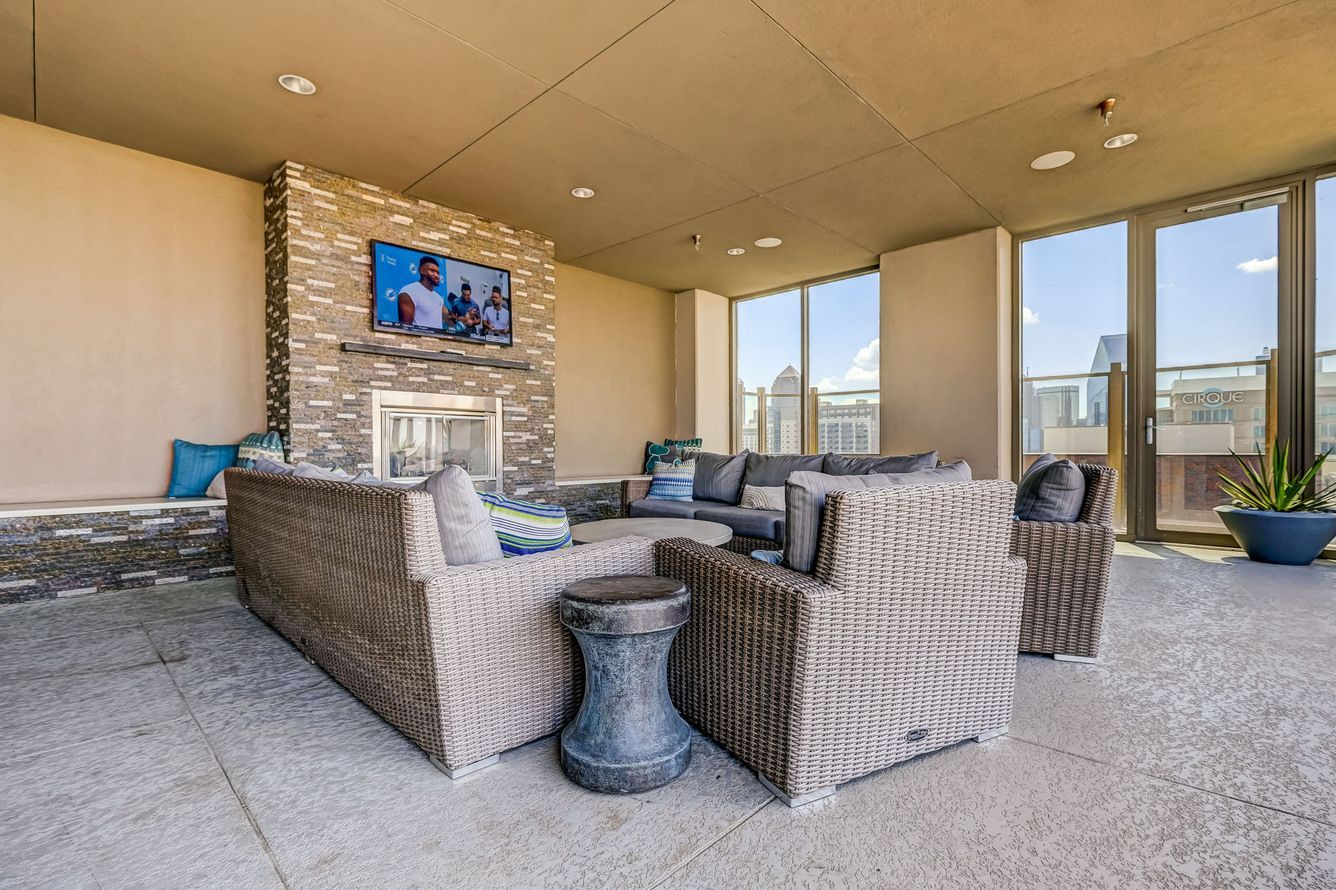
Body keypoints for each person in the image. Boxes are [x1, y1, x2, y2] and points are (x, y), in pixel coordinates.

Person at [396, 256, 444, 328]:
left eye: (437, 273)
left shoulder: (438, 297)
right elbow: (405, 328)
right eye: (432, 271)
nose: (436, 275)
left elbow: (448, 318)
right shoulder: (408, 291)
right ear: (421, 270)